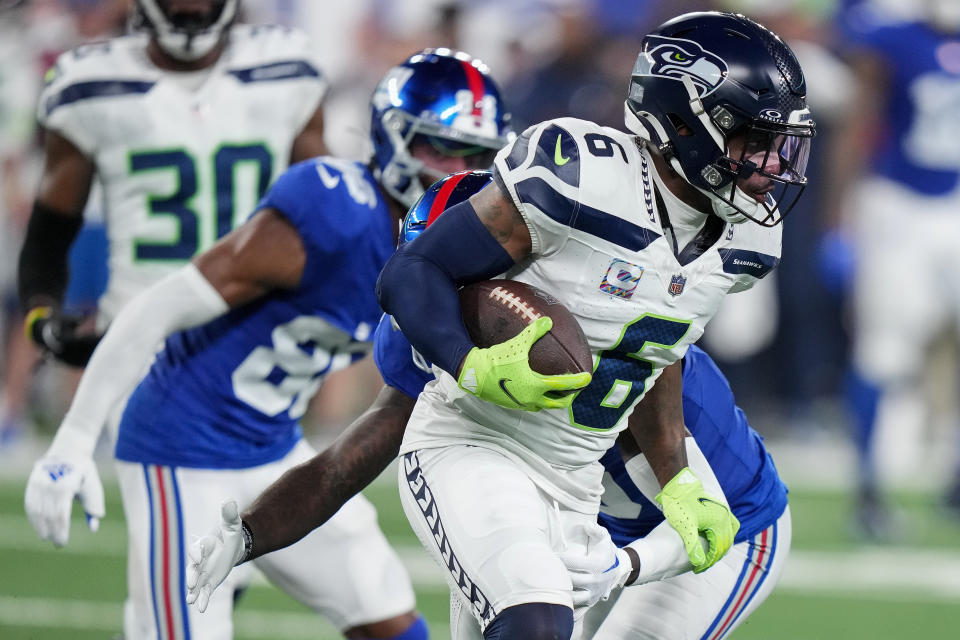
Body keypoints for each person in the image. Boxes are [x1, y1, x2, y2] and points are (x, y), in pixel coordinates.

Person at [23, 48, 512, 640]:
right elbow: (155, 310)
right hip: (182, 452)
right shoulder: (334, 209)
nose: (458, 170)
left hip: (273, 449)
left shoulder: (458, 253)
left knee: (394, 621)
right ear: (393, 139)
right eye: (440, 149)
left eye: (477, 156)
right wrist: (73, 442)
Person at [184, 170, 791, 640]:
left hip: (721, 528)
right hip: (586, 521)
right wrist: (251, 535)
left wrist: (625, 566)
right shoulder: (440, 339)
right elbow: (350, 460)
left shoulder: (619, 365)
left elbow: (703, 523)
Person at [376, 11, 813, 638]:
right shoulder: (580, 173)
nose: (769, 164)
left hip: (650, 502)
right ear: (682, 121)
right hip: (526, 464)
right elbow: (412, 271)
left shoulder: (750, 237)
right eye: (749, 136)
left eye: (777, 142)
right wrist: (466, 360)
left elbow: (661, 358)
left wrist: (678, 479)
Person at [17, 0, 329, 368]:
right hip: (138, 339)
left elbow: (326, 215)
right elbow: (48, 234)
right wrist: (42, 320)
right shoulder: (88, 86)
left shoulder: (287, 68)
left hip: (253, 339)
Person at [824, 0, 960, 536]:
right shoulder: (890, 41)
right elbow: (860, 124)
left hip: (953, 205)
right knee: (883, 351)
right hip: (897, 207)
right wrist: (838, 217)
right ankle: (869, 487)